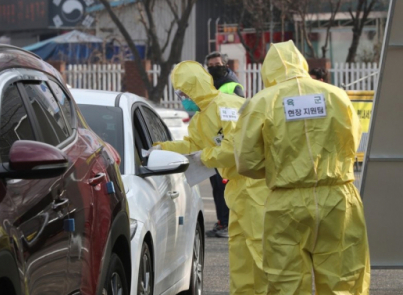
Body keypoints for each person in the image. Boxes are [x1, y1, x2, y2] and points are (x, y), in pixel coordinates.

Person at [235, 40, 370, 295]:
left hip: (286, 203)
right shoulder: (336, 95)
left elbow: (247, 162)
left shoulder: (261, 102)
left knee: (286, 281)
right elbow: (353, 140)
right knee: (344, 278)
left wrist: (281, 169)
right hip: (338, 198)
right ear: (302, 63)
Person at [151, 60, 270, 295]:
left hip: (256, 187)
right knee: (240, 254)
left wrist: (204, 157)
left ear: (196, 87)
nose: (183, 98)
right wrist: (163, 148)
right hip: (238, 190)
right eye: (179, 93)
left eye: (184, 92)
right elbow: (192, 145)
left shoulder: (228, 106)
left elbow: (236, 147)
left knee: (261, 251)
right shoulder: (201, 118)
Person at [204, 51, 246, 238]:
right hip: (213, 143)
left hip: (226, 145)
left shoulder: (232, 86)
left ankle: (228, 223)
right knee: (216, 186)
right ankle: (222, 222)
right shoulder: (209, 86)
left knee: (224, 186)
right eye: (211, 65)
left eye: (217, 64)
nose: (214, 68)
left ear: (226, 65)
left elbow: (240, 115)